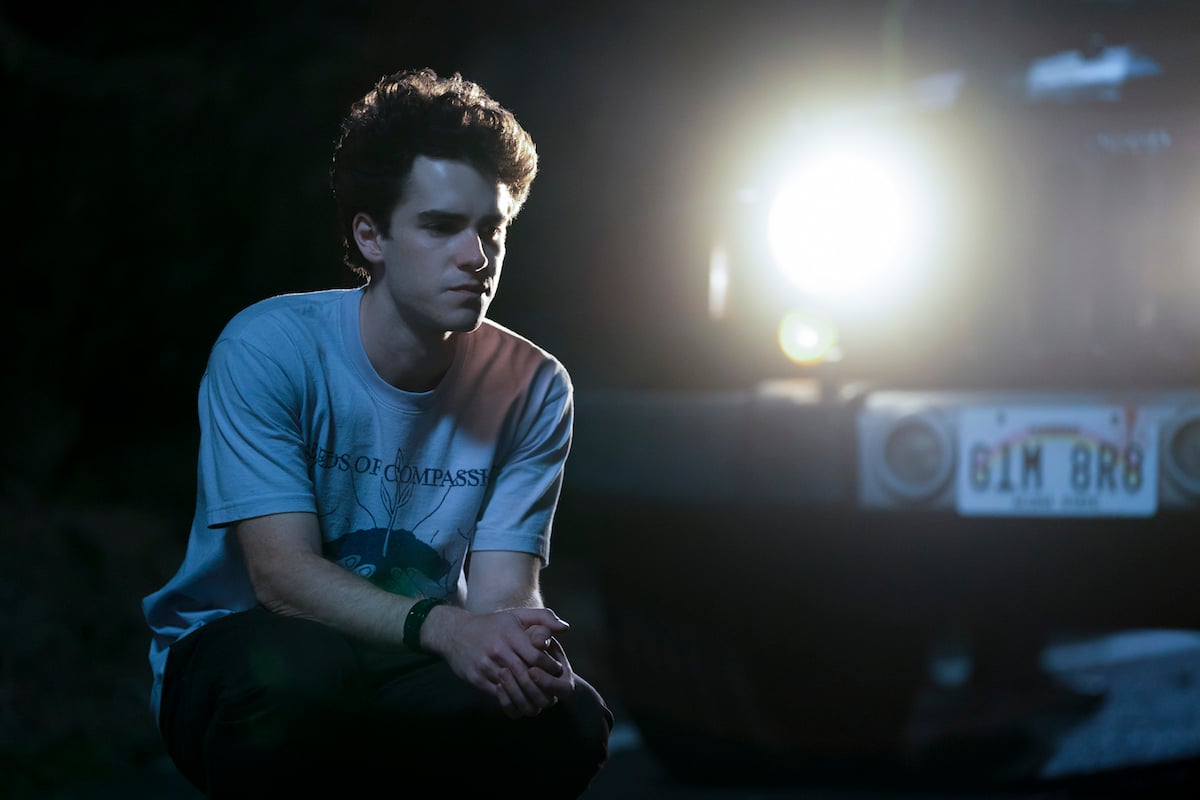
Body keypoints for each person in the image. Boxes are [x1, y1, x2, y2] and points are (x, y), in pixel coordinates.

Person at [141, 67, 613, 798]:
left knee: (568, 719)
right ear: (371, 236)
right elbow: (283, 579)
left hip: (407, 657)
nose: (476, 257)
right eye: (439, 226)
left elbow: (500, 593)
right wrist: (452, 631)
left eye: (491, 229)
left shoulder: (533, 385)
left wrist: (523, 646)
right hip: (246, 650)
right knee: (303, 679)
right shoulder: (269, 347)